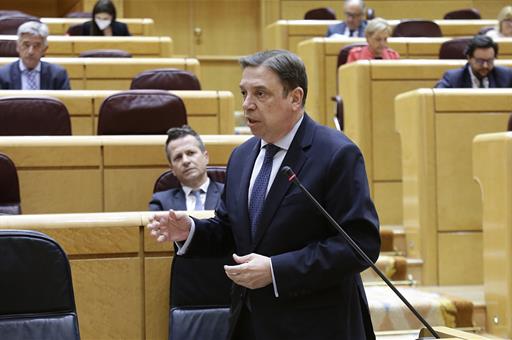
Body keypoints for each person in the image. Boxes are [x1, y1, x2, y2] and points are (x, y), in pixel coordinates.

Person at [148, 50, 380, 340]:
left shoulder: (336, 153)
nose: (247, 105)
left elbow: (360, 245)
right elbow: (233, 230)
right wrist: (191, 230)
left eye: (260, 93)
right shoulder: (242, 156)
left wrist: (276, 270)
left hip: (316, 325)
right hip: (250, 323)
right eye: (244, 93)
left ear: (295, 98)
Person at [149, 125, 232, 307]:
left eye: (191, 153)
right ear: (172, 168)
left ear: (205, 156)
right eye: (178, 157)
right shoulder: (160, 203)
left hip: (227, 283)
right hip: (183, 286)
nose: (186, 161)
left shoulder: (231, 194)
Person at [0, 21, 70, 90]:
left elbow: (67, 101)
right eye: (26, 45)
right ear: (18, 47)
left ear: (44, 49)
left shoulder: (58, 75)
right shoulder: (3, 75)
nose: (31, 52)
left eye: (36, 46)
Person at [436, 35, 512, 88]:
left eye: (489, 61)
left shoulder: (506, 76)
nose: (485, 66)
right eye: (480, 61)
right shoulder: (453, 78)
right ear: (469, 58)